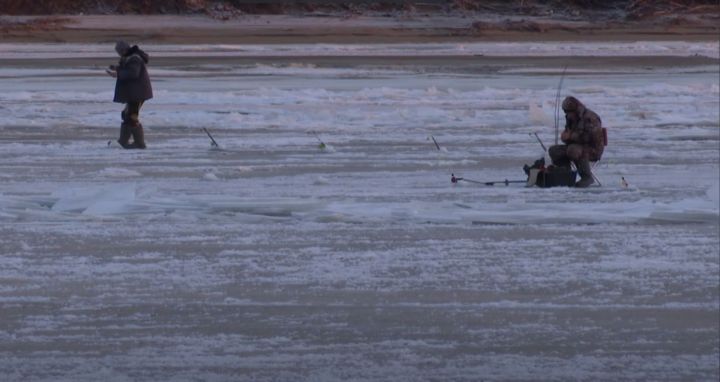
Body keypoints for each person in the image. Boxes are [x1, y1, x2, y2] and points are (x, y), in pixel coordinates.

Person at [548, 96, 604, 188]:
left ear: (575, 110)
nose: (567, 114)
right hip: (575, 147)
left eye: (568, 112)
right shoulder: (570, 118)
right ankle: (566, 175)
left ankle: (587, 177)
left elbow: (589, 138)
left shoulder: (590, 118)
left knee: (573, 149)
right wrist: (565, 137)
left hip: (593, 149)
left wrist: (571, 136)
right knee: (554, 150)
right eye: (565, 112)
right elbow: (568, 133)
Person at [106, 41, 153, 149]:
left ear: (123, 50)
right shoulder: (129, 58)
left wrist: (117, 74)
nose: (118, 54)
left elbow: (133, 73)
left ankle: (139, 143)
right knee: (127, 115)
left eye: (119, 51)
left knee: (132, 117)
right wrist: (117, 68)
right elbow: (128, 69)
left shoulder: (134, 58)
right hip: (134, 93)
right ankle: (123, 141)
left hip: (138, 93)